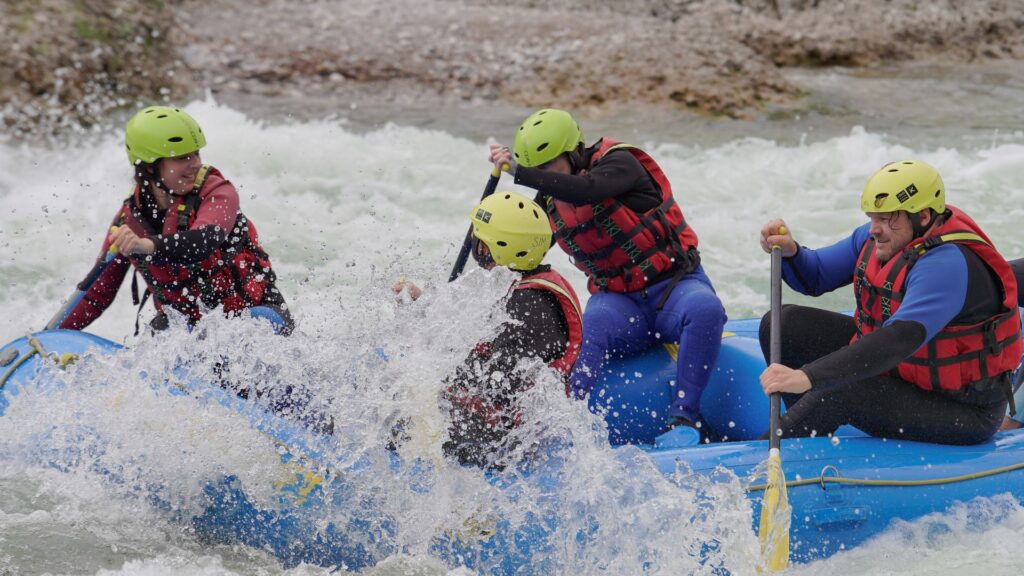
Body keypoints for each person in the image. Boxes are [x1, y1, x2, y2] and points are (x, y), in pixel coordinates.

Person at [488, 108, 726, 442]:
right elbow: (526, 244)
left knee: (707, 309)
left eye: (549, 166)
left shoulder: (621, 164)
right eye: (537, 169)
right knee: (594, 325)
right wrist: (488, 232)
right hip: (619, 303)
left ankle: (683, 419)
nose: (544, 175)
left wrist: (521, 172)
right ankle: (565, 425)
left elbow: (587, 189)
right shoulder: (552, 199)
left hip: (675, 289)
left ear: (573, 152)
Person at [758, 160, 1021, 445]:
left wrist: (808, 377)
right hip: (902, 372)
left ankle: (761, 458)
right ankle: (810, 435)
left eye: (887, 219)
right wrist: (791, 253)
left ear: (922, 216)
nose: (875, 229)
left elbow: (898, 339)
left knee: (840, 387)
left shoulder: (947, 264)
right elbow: (817, 277)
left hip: (962, 409)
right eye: (873, 216)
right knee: (784, 323)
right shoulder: (884, 237)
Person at [55, 106, 293, 335]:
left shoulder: (219, 192)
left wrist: (148, 245)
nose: (195, 164)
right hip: (187, 331)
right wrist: (49, 338)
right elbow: (95, 296)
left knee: (234, 332)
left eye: (196, 153)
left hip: (257, 316)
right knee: (160, 331)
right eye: (181, 158)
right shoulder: (128, 221)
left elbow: (205, 240)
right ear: (149, 168)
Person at [394, 192, 583, 469]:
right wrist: (420, 305)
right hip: (489, 420)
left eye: (480, 243)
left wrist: (431, 386)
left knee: (396, 421)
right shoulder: (516, 284)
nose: (475, 249)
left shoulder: (532, 307)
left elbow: (495, 383)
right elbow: (462, 330)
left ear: (500, 249)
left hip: (508, 440)